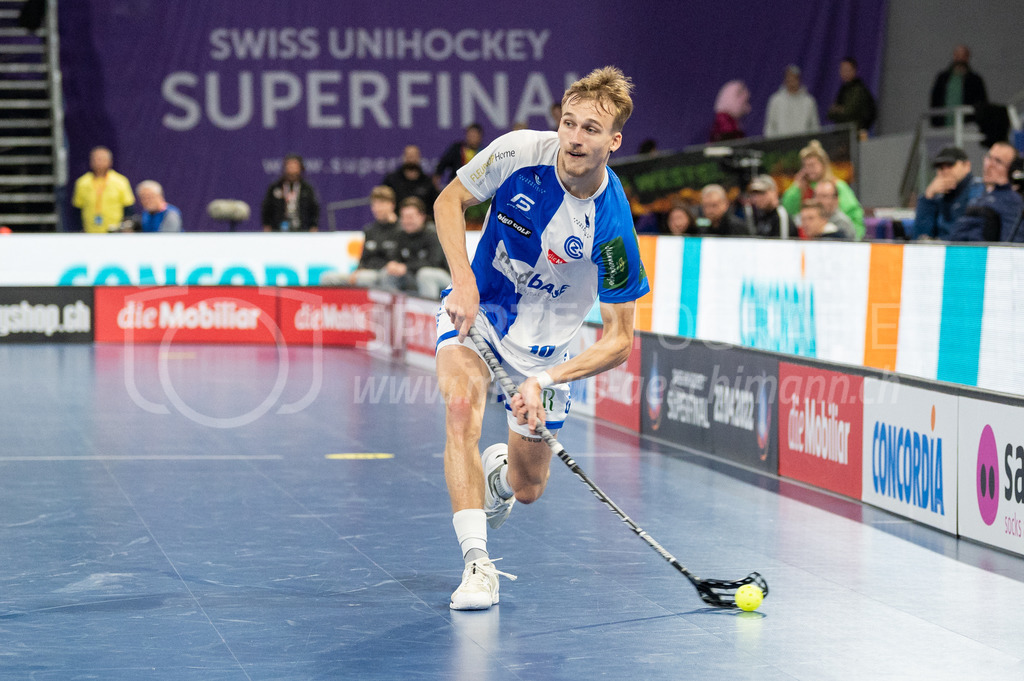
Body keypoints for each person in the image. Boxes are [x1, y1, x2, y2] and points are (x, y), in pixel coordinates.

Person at [433, 66, 649, 611]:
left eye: (592, 130)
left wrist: (544, 380)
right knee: (461, 410)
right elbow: (448, 202)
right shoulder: (517, 153)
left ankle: (500, 480)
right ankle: (478, 564)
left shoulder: (613, 227)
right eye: (569, 122)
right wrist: (462, 280)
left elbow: (621, 340)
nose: (575, 137)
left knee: (529, 489)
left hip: (545, 354)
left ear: (613, 141)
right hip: (479, 316)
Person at [780, 139, 864, 239]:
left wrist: (855, 241)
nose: (808, 169)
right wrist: (797, 189)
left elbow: (855, 216)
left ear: (823, 165)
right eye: (805, 166)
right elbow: (787, 210)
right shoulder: (801, 187)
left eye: (812, 165)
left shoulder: (837, 186)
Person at [321, 185, 400, 286]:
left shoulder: (401, 230)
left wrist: (363, 272)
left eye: (381, 203)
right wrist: (357, 270)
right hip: (365, 272)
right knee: (328, 278)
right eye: (374, 204)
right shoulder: (370, 230)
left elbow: (398, 260)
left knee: (364, 278)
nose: (376, 208)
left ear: (391, 205)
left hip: (385, 274)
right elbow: (364, 258)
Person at [949, 142, 1024, 242]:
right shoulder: (975, 194)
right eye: (989, 157)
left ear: (1011, 169)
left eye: (998, 161)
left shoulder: (1012, 201)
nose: (989, 165)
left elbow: (1010, 249)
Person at [379, 196, 450, 297]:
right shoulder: (400, 235)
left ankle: (428, 311)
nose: (407, 221)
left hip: (442, 276)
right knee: (387, 273)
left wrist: (406, 267)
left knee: (425, 275)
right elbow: (395, 256)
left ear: (422, 216)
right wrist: (393, 264)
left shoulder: (433, 234)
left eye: (410, 217)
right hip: (411, 275)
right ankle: (395, 310)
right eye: (404, 217)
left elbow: (434, 262)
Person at [913, 146, 983, 240]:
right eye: (940, 168)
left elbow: (966, 234)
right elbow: (919, 237)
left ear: (967, 166)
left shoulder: (980, 191)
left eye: (950, 165)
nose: (945, 171)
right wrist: (928, 196)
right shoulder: (937, 197)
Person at [71, 146, 134, 233]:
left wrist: (125, 228)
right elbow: (77, 209)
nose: (98, 162)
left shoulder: (120, 181)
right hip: (90, 231)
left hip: (114, 231)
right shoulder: (82, 182)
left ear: (110, 161)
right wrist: (79, 229)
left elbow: (128, 207)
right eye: (95, 159)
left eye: (102, 159)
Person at [930, 44, 988, 127]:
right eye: (957, 55)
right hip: (943, 127)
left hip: (968, 127)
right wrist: (935, 121)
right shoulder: (942, 78)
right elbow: (935, 100)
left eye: (963, 56)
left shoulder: (975, 80)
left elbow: (982, 102)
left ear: (967, 57)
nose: (960, 59)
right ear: (954, 56)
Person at [260, 154, 320, 232]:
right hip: (278, 229)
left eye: (295, 166)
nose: (292, 169)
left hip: (302, 229)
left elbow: (314, 208)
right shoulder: (275, 187)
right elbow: (267, 207)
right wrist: (267, 225)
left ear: (300, 168)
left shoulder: (307, 188)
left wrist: (313, 225)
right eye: (289, 165)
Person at [763, 65, 820, 138]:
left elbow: (814, 126)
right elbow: (770, 126)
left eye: (794, 78)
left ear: (799, 80)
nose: (792, 81)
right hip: (781, 145)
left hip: (803, 144)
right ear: (785, 80)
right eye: (789, 78)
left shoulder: (809, 101)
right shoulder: (776, 100)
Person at [826, 58, 876, 138]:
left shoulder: (859, 90)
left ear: (854, 70)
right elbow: (830, 113)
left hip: (855, 134)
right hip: (843, 134)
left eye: (847, 70)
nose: (844, 73)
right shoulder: (843, 89)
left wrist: (838, 110)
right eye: (842, 70)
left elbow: (849, 112)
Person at [382, 145, 438, 216]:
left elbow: (436, 205)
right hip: (396, 221)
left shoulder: (428, 182)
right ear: (403, 157)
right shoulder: (391, 180)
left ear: (419, 158)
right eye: (408, 156)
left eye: (414, 156)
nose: (411, 159)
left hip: (424, 222)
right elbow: (383, 200)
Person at [434, 123, 483, 189]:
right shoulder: (457, 149)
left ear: (480, 137)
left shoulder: (483, 152)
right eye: (470, 135)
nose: (472, 138)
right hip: (456, 186)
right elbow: (442, 164)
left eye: (474, 136)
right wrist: (436, 181)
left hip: (476, 188)